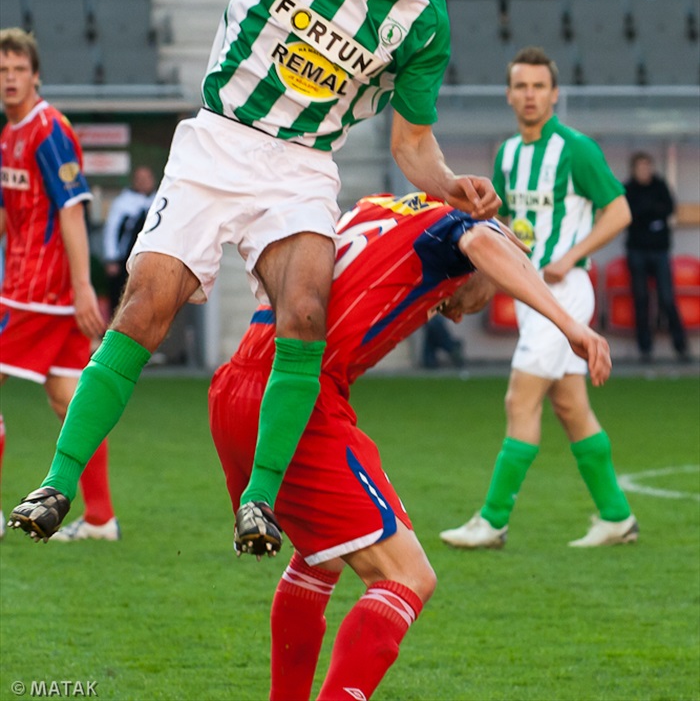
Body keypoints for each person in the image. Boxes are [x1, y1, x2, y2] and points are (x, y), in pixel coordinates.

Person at [3, 0, 501, 554]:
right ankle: (58, 481)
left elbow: (412, 145)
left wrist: (449, 183)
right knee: (146, 306)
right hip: (217, 144)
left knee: (305, 309)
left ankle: (259, 502)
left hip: (300, 166)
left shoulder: (424, 17)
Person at [209, 190, 612, 700]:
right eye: (484, 294)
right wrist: (571, 324)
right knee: (408, 577)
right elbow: (486, 241)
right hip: (297, 392)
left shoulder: (381, 207)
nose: (459, 315)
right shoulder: (457, 232)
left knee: (320, 555)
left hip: (236, 386)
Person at [440, 46, 638, 550]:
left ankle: (492, 521)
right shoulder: (506, 154)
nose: (530, 95)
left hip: (566, 294)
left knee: (518, 399)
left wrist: (571, 256)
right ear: (509, 95)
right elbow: (502, 225)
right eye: (521, 86)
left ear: (553, 94)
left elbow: (618, 211)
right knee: (571, 407)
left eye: (539, 87)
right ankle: (617, 516)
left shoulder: (576, 149)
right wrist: (483, 280)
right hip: (532, 297)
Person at [0, 28, 119, 543]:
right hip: (27, 285)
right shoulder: (8, 135)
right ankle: (99, 519)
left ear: (36, 75)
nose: (10, 79)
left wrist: (82, 287)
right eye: (2, 71)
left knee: (69, 398)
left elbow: (72, 209)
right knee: (70, 399)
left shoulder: (49, 129)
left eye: (18, 70)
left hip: (38, 289)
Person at [624, 151, 688, 363]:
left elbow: (668, 209)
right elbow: (629, 215)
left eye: (648, 166)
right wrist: (650, 212)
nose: (645, 171)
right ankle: (645, 350)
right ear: (634, 170)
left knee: (667, 298)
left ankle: (681, 347)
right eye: (641, 167)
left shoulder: (660, 186)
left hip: (660, 251)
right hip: (637, 251)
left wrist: (646, 212)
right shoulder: (629, 189)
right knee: (641, 299)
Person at [102, 164, 156, 314]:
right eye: (140, 179)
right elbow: (111, 231)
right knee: (120, 301)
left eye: (146, 178)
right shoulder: (123, 202)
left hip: (150, 260)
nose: (143, 182)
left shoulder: (158, 201)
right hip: (124, 261)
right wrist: (111, 259)